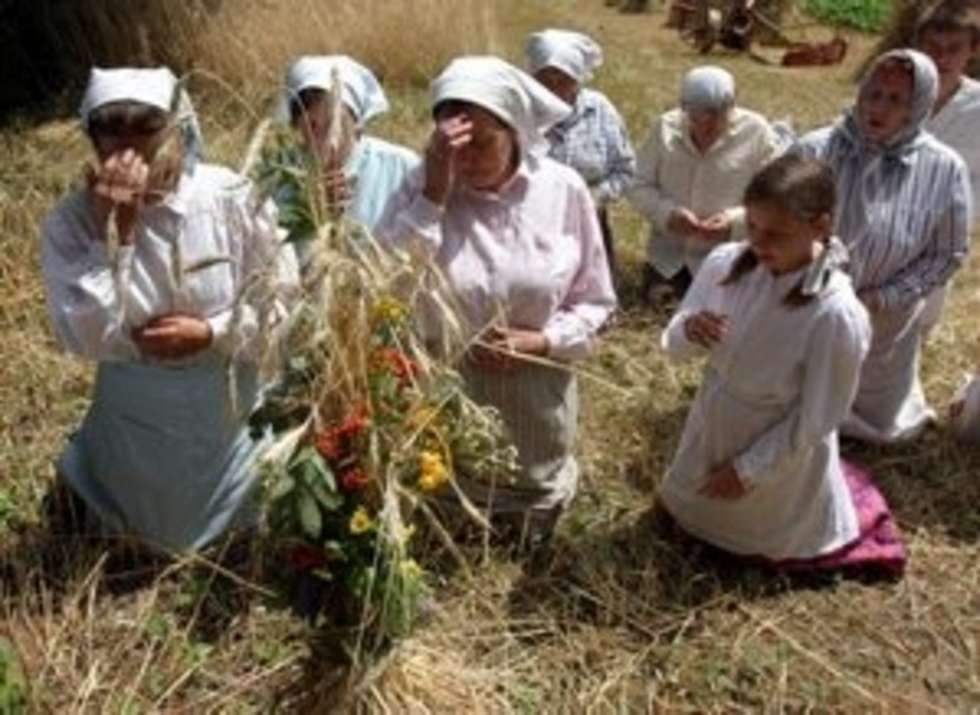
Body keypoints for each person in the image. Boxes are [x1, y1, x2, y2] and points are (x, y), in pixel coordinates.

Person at [41, 67, 299, 552]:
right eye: (110, 126)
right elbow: (85, 337)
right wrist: (116, 233)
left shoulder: (230, 198)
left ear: (179, 127)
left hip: (224, 396)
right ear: (90, 136)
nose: (128, 143)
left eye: (146, 124)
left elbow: (283, 301)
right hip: (135, 405)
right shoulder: (71, 223)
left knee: (245, 518)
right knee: (141, 528)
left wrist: (213, 331)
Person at [376, 56, 616, 539]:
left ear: (516, 133)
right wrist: (433, 196)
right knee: (446, 485)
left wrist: (543, 341)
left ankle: (532, 515)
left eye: (482, 143)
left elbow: (595, 301)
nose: (466, 160)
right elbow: (385, 283)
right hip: (443, 387)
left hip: (534, 392)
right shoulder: (423, 183)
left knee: (531, 492)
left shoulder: (562, 190)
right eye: (454, 147)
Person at [659, 154, 904, 573]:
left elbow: (819, 416)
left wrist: (748, 469)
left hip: (775, 445)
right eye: (752, 227)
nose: (759, 243)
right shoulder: (724, 264)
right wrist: (688, 331)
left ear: (821, 226)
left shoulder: (834, 314)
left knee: (749, 535)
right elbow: (672, 345)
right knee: (690, 512)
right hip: (712, 422)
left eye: (777, 233)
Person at [794, 49, 971, 444]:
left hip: (885, 318)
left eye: (896, 100)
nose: (878, 107)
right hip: (808, 301)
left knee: (877, 419)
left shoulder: (944, 169)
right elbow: (776, 217)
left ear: (919, 105)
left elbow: (947, 253)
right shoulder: (816, 149)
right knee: (796, 394)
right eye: (873, 93)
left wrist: (886, 297)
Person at [628, 66, 784, 302]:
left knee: (725, 312)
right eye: (695, 115)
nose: (704, 125)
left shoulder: (757, 133)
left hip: (732, 256)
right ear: (683, 108)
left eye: (715, 115)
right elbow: (637, 183)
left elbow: (776, 194)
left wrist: (735, 220)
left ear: (732, 107)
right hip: (670, 256)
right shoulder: (664, 129)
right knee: (661, 306)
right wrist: (667, 213)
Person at [265, 55, 419, 262]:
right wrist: (312, 214)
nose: (327, 138)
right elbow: (271, 257)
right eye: (312, 125)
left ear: (357, 123)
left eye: (334, 123)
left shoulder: (401, 167)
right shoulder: (275, 176)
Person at [525, 29, 635, 281]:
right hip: (532, 226)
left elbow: (625, 169)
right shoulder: (521, 113)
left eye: (563, 79)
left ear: (578, 79)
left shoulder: (599, 110)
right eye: (545, 79)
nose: (553, 88)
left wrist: (592, 199)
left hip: (590, 223)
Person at [914, 3, 980, 335]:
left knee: (920, 319)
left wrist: (960, 214)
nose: (942, 58)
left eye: (953, 49)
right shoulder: (897, 94)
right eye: (933, 48)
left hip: (944, 228)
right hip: (883, 220)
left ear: (973, 50)